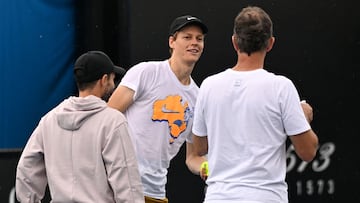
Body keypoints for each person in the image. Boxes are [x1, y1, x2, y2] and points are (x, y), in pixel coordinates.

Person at [191, 6, 319, 203]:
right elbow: (308, 152)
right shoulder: (281, 87)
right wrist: (301, 117)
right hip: (266, 197)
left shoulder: (209, 85)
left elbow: (199, 148)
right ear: (270, 43)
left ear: (234, 42)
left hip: (219, 197)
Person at [16, 51, 145, 203]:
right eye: (112, 79)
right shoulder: (113, 121)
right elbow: (126, 179)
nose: (113, 84)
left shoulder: (49, 120)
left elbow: (27, 169)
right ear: (103, 80)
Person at [108, 15, 208, 203]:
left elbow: (193, 157)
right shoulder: (146, 72)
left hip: (155, 191)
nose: (194, 43)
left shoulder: (198, 97)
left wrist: (206, 167)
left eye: (199, 39)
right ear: (172, 42)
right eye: (187, 37)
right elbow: (106, 118)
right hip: (118, 187)